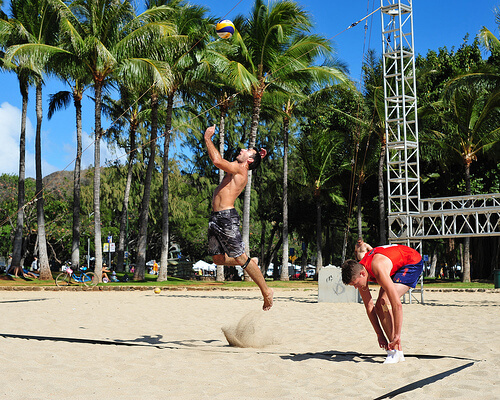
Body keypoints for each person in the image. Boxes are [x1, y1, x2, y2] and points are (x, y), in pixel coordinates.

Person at [204, 125, 273, 311]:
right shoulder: (240, 168)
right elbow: (251, 160)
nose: (242, 149)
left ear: (248, 160)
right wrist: (259, 156)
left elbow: (217, 160)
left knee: (241, 258)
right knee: (218, 259)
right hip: (215, 218)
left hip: (226, 218)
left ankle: (266, 292)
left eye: (246, 151)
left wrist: (208, 138)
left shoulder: (239, 169)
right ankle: (252, 262)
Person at [341, 244, 423, 364]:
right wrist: (380, 335)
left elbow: (397, 305)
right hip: (394, 264)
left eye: (355, 284)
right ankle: (395, 351)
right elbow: (369, 307)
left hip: (412, 262)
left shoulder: (377, 267)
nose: (355, 287)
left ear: (362, 274)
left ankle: (395, 349)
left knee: (384, 301)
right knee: (379, 305)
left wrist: (397, 336)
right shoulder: (360, 272)